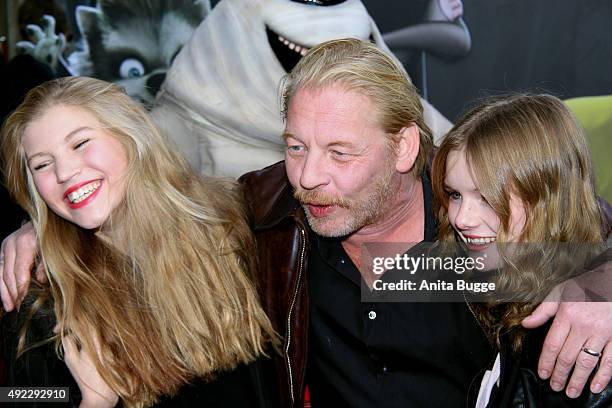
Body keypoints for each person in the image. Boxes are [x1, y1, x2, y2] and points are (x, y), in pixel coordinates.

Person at [3, 39, 612, 407]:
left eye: (340, 153)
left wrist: (604, 289)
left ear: (404, 150)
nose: (309, 177)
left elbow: (584, 226)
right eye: (295, 147)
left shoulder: (469, 220)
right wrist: (50, 225)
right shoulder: (269, 222)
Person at [0, 77, 278, 407]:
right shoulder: (39, 299)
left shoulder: (233, 223)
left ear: (130, 136)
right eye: (42, 164)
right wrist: (94, 402)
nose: (65, 172)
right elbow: (16, 397)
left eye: (80, 143)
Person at [431, 93, 612, 406]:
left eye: (486, 197)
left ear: (547, 196)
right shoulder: (503, 281)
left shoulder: (580, 333)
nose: (461, 218)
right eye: (455, 195)